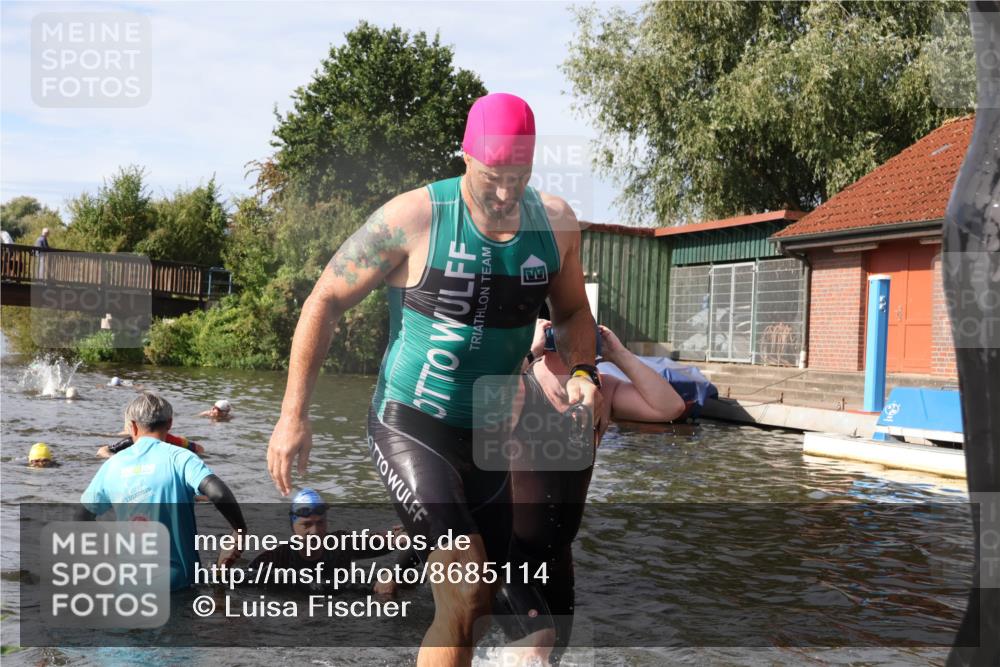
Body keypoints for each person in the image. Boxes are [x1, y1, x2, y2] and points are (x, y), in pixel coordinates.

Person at [267, 92, 601, 667]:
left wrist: (583, 371)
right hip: (411, 422)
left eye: (518, 178)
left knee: (470, 609)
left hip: (490, 438)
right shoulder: (414, 218)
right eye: (493, 176)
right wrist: (293, 414)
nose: (504, 193)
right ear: (466, 158)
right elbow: (324, 300)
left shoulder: (556, 226)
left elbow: (572, 313)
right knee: (469, 582)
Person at [499, 319, 685, 664]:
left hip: (558, 555)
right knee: (538, 642)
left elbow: (669, 408)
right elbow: (483, 412)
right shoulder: (520, 381)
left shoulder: (603, 391)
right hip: (510, 554)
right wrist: (530, 350)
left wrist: (619, 354)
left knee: (551, 655)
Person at [77, 392, 247, 591]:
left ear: (132, 426)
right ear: (170, 423)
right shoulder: (181, 458)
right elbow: (218, 493)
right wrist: (240, 530)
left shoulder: (111, 465)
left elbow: (81, 518)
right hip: (176, 584)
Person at [248, 488, 402, 594]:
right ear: (293, 527)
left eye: (320, 523)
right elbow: (237, 581)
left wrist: (403, 534)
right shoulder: (277, 557)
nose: (315, 531)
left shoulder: (341, 544)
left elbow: (380, 541)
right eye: (306, 525)